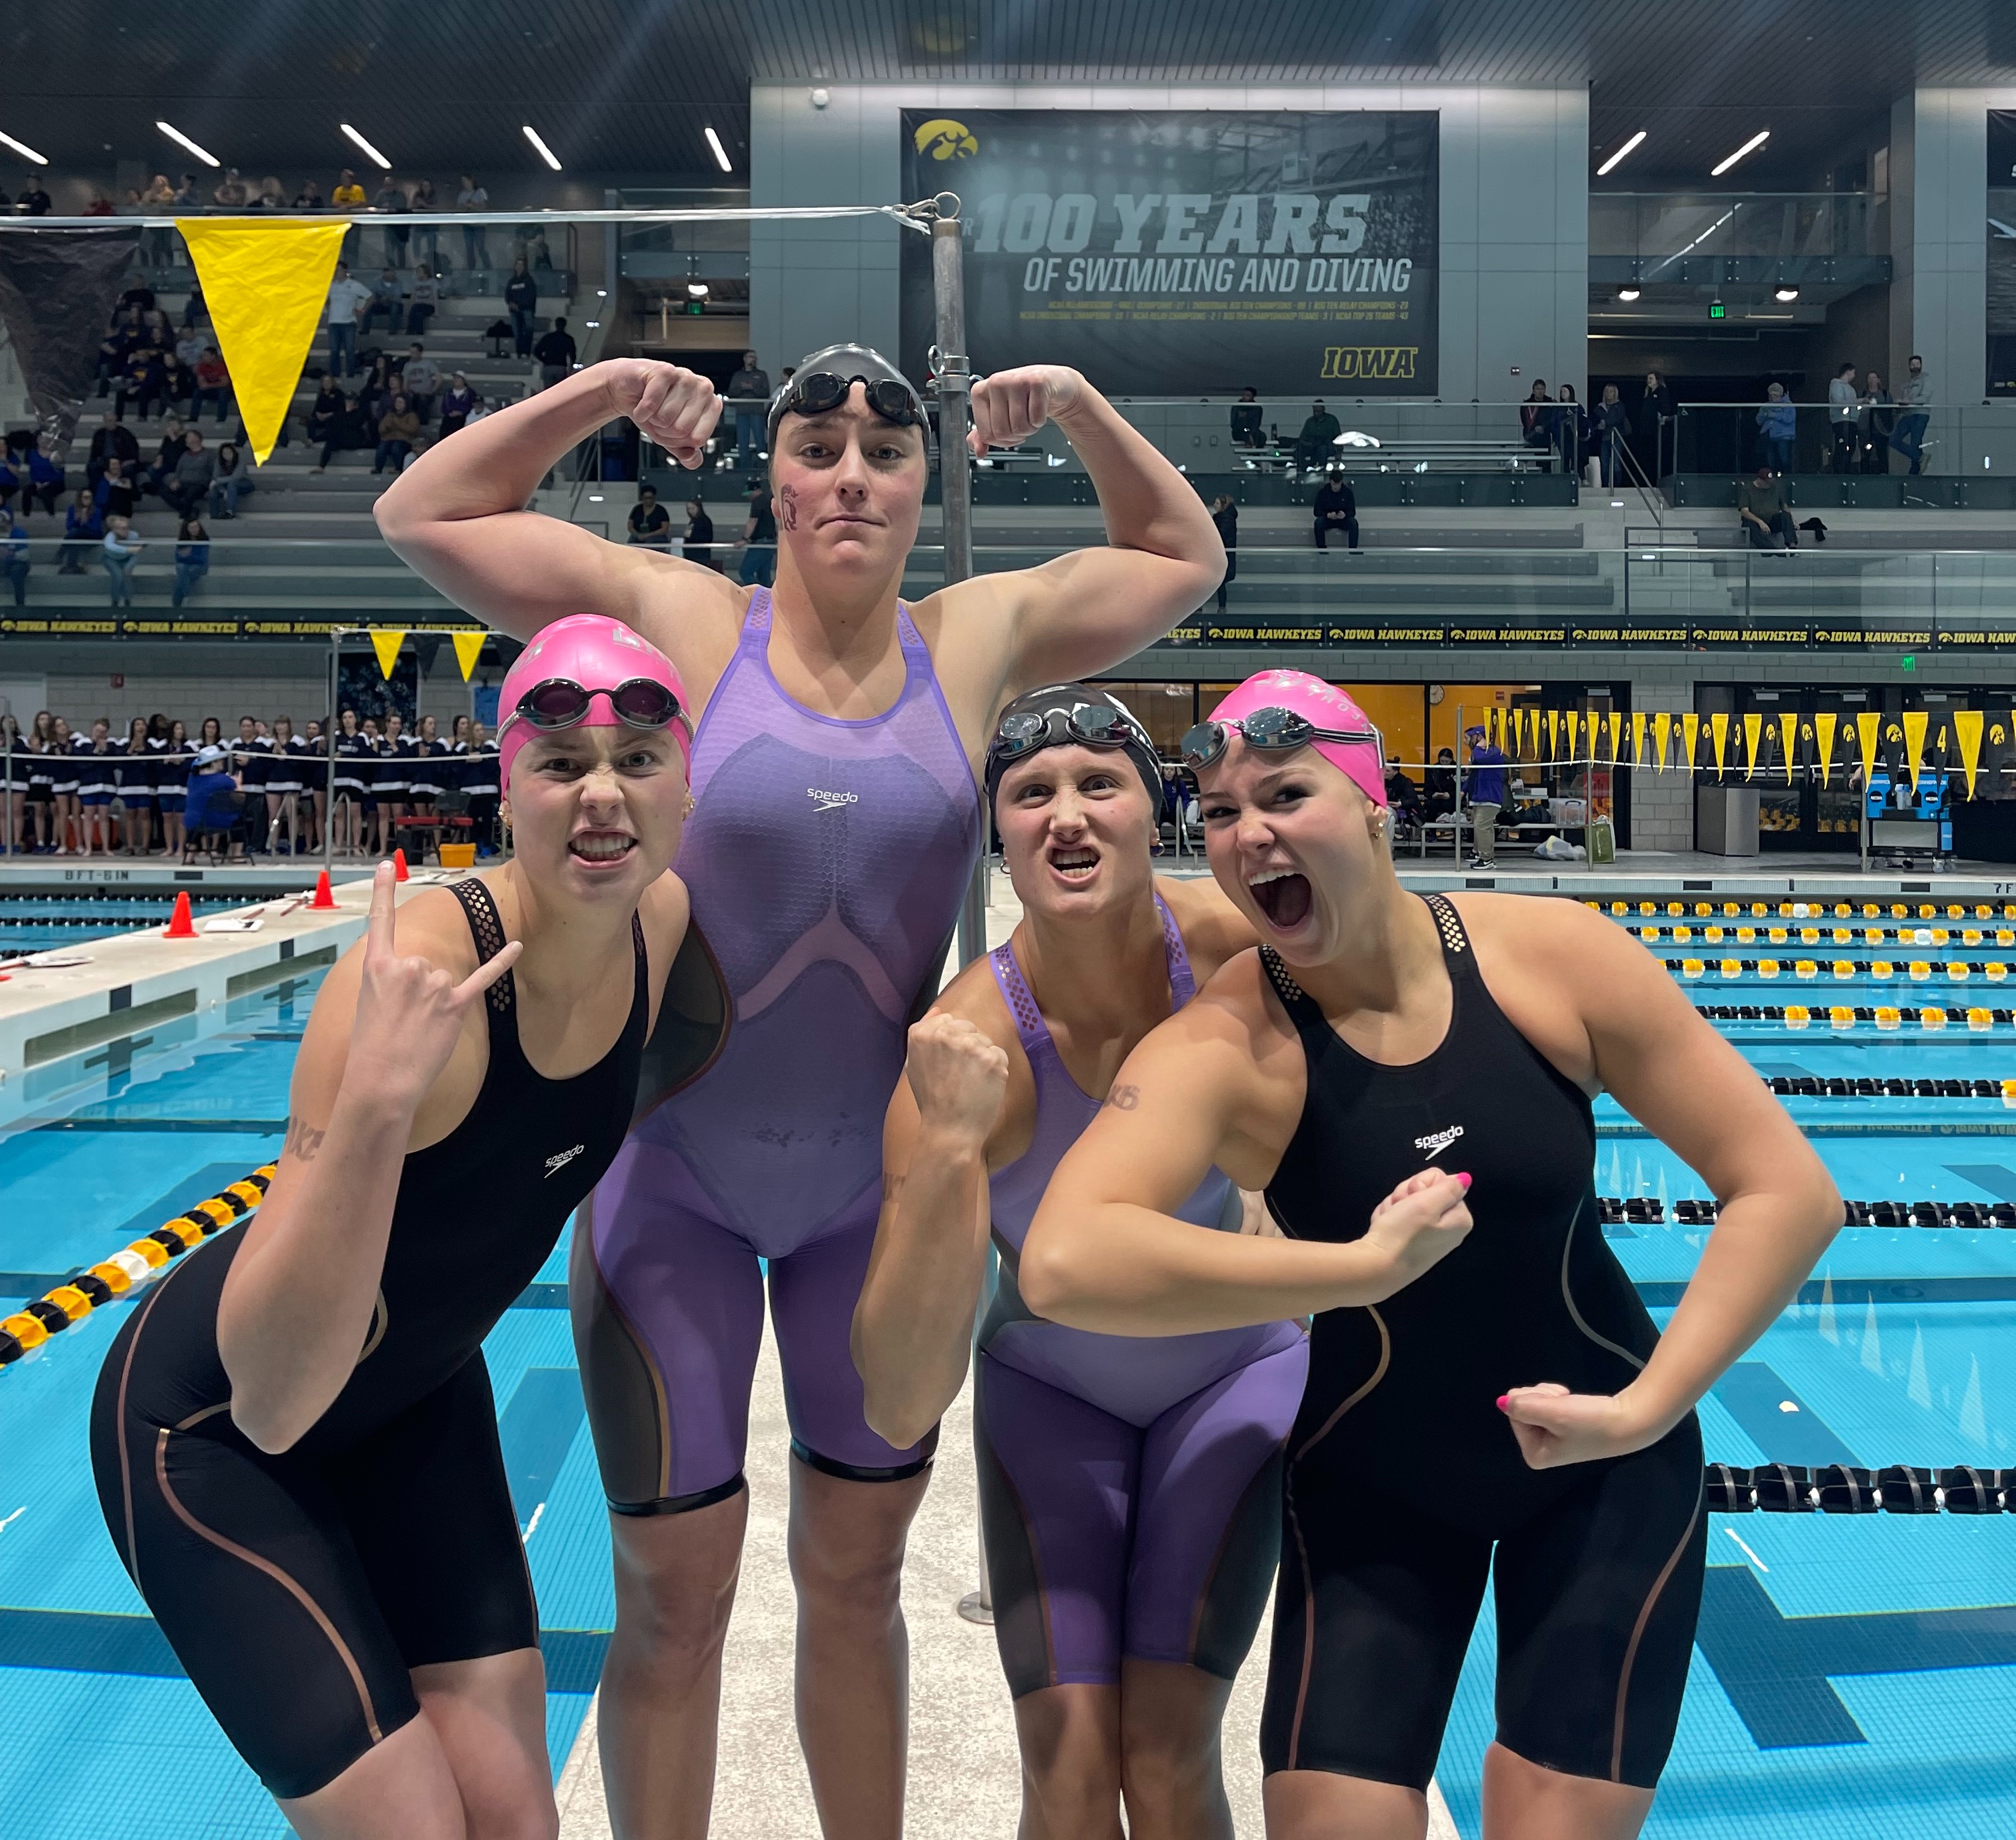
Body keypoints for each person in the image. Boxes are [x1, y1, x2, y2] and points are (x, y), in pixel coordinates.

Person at [375, 340, 1223, 1837]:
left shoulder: (980, 635)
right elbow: (424, 518)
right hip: (673, 1188)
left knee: (856, 1579)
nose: (850, 476)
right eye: (817, 447)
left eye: (886, 453)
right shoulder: (685, 614)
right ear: (770, 475)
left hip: (871, 1201)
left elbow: (1182, 555)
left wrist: (1087, 407)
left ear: (924, 483)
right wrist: (608, 392)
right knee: (673, 1599)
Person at [1017, 668, 1842, 1840]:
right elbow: (1061, 1261)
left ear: (1372, 806)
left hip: (1607, 1472)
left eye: (1283, 794)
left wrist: (1649, 1408)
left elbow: (1785, 1190)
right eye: (1217, 815)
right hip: (1374, 1484)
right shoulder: (1228, 1042)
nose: (1247, 835)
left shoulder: (1553, 958)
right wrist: (1354, 1271)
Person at [90, 616, 694, 1837]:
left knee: (518, 1824)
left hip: (411, 1398)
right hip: (214, 1434)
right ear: (503, 786)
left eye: (636, 758)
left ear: (687, 782)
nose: (601, 796)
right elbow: (270, 1400)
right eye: (560, 763)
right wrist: (372, 1109)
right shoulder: (423, 982)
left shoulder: (662, 923)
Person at [853, 685, 1303, 1833]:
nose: (1065, 816)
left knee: (1163, 1753)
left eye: (1098, 784)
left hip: (1232, 1374)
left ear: (1152, 815)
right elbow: (897, 1398)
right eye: (1029, 794)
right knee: (1061, 1763)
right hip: (1050, 1393)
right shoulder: (970, 1047)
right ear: (995, 835)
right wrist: (951, 1149)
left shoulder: (1237, 958)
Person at [1464, 722, 1509, 867]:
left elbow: (1479, 758)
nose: (1466, 742)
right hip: (1481, 796)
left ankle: (1486, 858)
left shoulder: (1493, 752)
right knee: (1485, 827)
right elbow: (1474, 775)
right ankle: (1487, 856)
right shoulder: (1484, 753)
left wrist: (1477, 748)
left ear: (1478, 737)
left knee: (1481, 826)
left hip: (1490, 796)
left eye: (1468, 738)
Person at [325, 261, 373, 380]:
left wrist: (363, 310)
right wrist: (328, 307)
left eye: (339, 270)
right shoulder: (331, 285)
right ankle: (335, 375)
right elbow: (327, 299)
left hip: (348, 323)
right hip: (334, 322)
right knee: (334, 350)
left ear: (345, 271)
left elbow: (370, 297)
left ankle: (350, 374)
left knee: (349, 350)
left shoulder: (354, 285)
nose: (337, 272)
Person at [117, 715, 156, 855]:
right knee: (130, 814)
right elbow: (120, 765)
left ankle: (145, 846)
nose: (140, 727)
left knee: (144, 813)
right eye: (137, 724)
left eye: (143, 724)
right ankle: (130, 846)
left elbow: (153, 765)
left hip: (145, 784)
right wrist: (130, 750)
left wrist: (143, 750)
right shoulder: (124, 745)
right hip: (129, 784)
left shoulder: (151, 745)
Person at [727, 349, 771, 468]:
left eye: (755, 357)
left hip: (757, 411)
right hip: (741, 412)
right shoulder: (738, 375)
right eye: (751, 357)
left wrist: (752, 388)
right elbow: (732, 392)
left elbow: (765, 393)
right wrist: (742, 388)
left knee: (760, 440)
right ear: (745, 359)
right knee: (743, 442)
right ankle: (744, 468)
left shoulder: (762, 374)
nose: (753, 359)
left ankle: (763, 466)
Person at [1738, 463, 1797, 550]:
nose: (1769, 484)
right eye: (1766, 482)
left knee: (1785, 516)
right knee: (1750, 526)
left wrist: (1792, 521)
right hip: (1756, 520)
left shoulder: (1776, 487)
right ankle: (1770, 550)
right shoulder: (1748, 489)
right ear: (1759, 480)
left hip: (1773, 519)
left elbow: (1784, 506)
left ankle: (1792, 545)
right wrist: (1760, 522)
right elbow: (1744, 511)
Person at [163, 430, 216, 519]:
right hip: (183, 483)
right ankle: (190, 510)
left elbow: (213, 471)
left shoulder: (208, 454)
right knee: (164, 491)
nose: (186, 439)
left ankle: (185, 515)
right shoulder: (185, 455)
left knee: (191, 493)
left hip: (199, 484)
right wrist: (175, 481)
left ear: (196, 439)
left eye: (188, 437)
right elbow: (178, 471)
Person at [1891, 354, 1930, 473]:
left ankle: (1914, 472)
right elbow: (1905, 401)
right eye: (1912, 364)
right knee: (1893, 440)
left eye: (1917, 364)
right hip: (1908, 415)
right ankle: (1920, 458)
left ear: (1921, 365)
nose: (1915, 367)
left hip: (1920, 415)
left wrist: (1908, 402)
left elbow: (1925, 398)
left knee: (1915, 443)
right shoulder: (1908, 383)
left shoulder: (1926, 380)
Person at [1635, 371, 1677, 480]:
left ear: (1657, 380)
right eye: (1648, 378)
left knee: (1655, 454)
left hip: (1656, 429)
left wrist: (1665, 415)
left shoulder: (1662, 391)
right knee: (1646, 455)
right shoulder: (1647, 394)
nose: (1649, 381)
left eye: (1651, 378)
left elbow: (1665, 406)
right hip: (1646, 429)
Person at [737, 478, 776, 586]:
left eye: (749, 494)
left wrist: (744, 539)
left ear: (754, 491)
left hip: (761, 543)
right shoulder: (766, 501)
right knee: (764, 576)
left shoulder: (757, 501)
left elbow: (752, 521)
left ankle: (759, 595)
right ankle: (768, 599)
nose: (748, 497)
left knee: (745, 571)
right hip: (770, 542)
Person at [1593, 384, 1631, 487]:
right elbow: (1594, 419)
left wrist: (1605, 422)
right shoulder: (1599, 407)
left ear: (1615, 393)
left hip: (1617, 436)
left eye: (1611, 391)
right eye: (1606, 391)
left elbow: (1618, 419)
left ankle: (1617, 487)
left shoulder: (1620, 406)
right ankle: (1605, 486)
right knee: (1604, 464)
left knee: (1616, 464)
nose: (1608, 394)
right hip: (1604, 438)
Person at [375, 393, 422, 475]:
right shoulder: (390, 415)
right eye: (397, 402)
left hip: (405, 441)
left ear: (406, 404)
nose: (398, 404)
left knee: (396, 447)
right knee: (382, 448)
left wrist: (396, 424)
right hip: (389, 439)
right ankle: (378, 469)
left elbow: (412, 430)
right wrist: (387, 427)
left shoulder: (412, 416)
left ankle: (398, 468)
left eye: (400, 402)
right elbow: (381, 429)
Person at [1857, 370, 1894, 474]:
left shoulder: (1885, 394)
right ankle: (1864, 475)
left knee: (1882, 452)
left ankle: (1884, 473)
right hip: (1866, 427)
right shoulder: (1863, 394)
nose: (1872, 380)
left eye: (1874, 377)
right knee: (1865, 453)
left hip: (1881, 428)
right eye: (1869, 378)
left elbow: (1890, 411)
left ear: (1878, 380)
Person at [57, 487, 102, 571]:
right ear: (80, 498)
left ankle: (61, 552)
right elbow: (69, 527)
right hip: (77, 535)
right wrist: (76, 520)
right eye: (85, 497)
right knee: (75, 537)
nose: (88, 500)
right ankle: (72, 566)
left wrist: (85, 523)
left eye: (90, 497)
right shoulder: (72, 509)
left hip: (93, 536)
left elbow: (96, 529)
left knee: (75, 533)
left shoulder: (96, 510)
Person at [1313, 470, 1359, 551]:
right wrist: (1327, 515)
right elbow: (1316, 511)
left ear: (1341, 482)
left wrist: (1345, 515)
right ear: (1330, 482)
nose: (1336, 487)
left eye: (1338, 484)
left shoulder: (1347, 493)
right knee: (1318, 523)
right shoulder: (1323, 492)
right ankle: (1322, 549)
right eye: (1334, 484)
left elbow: (1352, 511)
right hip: (1328, 519)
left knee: (1353, 523)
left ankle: (1353, 549)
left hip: (1342, 520)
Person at [1291, 399, 1340, 473]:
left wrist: (1338, 451)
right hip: (1311, 446)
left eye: (1318, 411)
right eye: (1315, 411)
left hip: (1327, 447)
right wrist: (1309, 444)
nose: (1316, 413)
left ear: (1323, 409)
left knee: (1322, 449)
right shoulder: (1310, 421)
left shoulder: (1332, 420)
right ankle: (1304, 470)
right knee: (1298, 452)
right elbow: (1302, 438)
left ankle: (1319, 471)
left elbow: (1338, 438)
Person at [1756, 382, 1796, 473]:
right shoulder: (1766, 406)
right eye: (1771, 395)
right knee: (1771, 461)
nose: (1773, 397)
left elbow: (1789, 419)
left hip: (1784, 436)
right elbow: (1759, 420)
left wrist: (1774, 415)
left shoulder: (1788, 405)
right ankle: (1773, 478)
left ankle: (1787, 477)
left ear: (1780, 395)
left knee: (1784, 459)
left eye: (1775, 395)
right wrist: (1765, 415)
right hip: (1769, 435)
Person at [102, 515, 141, 606]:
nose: (126, 531)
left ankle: (128, 601)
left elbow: (135, 555)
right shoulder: (110, 536)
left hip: (127, 559)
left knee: (127, 576)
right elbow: (110, 546)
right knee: (117, 575)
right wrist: (127, 550)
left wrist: (130, 566)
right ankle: (115, 602)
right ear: (115, 529)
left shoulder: (133, 535)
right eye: (123, 529)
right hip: (110, 559)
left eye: (127, 528)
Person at [1827, 361, 1859, 471]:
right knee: (1842, 445)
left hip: (1852, 420)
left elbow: (1852, 403)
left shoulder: (1851, 389)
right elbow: (1838, 401)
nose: (1854, 376)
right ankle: (1839, 470)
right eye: (1853, 373)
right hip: (1840, 420)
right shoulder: (1836, 385)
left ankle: (1847, 468)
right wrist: (1855, 403)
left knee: (1851, 445)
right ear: (1848, 372)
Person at [172, 517, 211, 608]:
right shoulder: (183, 540)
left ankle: (176, 606)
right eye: (192, 527)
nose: (195, 529)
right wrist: (189, 556)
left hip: (200, 567)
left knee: (181, 573)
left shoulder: (205, 538)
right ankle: (185, 597)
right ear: (187, 529)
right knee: (182, 569)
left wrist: (188, 556)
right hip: (185, 567)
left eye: (197, 526)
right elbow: (177, 557)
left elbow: (202, 559)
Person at [208, 442, 253, 519]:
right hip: (225, 486)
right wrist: (224, 491)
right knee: (213, 491)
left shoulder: (240, 460)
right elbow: (215, 477)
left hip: (243, 483)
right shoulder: (218, 461)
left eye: (229, 452)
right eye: (225, 453)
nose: (227, 455)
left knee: (232, 484)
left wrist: (218, 481)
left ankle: (229, 512)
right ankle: (214, 515)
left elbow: (236, 477)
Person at [504, 257, 537, 356]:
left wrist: (520, 305)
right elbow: (507, 295)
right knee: (517, 333)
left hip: (527, 310)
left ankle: (526, 352)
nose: (519, 267)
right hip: (514, 311)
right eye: (517, 265)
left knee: (528, 331)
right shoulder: (511, 281)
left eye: (521, 265)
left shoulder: (529, 280)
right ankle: (519, 353)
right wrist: (511, 304)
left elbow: (531, 296)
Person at [456, 175, 491, 270]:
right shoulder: (462, 194)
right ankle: (471, 269)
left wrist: (473, 206)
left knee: (480, 247)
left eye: (465, 181)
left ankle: (488, 267)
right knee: (469, 249)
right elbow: (458, 208)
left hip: (479, 224)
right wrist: (465, 207)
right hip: (467, 224)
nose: (464, 183)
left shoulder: (480, 192)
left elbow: (484, 206)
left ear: (471, 181)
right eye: (462, 182)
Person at [1553, 382, 1587, 476]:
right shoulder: (1558, 408)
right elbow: (1555, 423)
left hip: (1575, 437)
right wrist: (1556, 438)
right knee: (1565, 460)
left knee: (1577, 458)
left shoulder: (1577, 406)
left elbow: (1583, 420)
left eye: (1565, 391)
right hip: (1562, 438)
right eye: (1561, 391)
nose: (1563, 393)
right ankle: (1566, 478)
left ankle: (1581, 477)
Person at [1211, 492, 1237, 610]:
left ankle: (1222, 607)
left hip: (1223, 555)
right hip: (1223, 555)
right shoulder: (1224, 518)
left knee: (1219, 580)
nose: (1214, 505)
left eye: (1217, 503)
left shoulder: (1225, 520)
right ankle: (1221, 607)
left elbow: (1221, 536)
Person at [533, 317, 576, 389]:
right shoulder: (568, 338)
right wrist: (571, 365)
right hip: (561, 367)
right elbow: (573, 355)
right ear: (565, 325)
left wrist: (544, 360)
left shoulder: (548, 337)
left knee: (548, 390)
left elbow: (537, 351)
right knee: (560, 390)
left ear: (556, 325)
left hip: (548, 366)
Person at [1519, 379, 1554, 468]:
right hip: (1530, 437)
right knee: (1529, 464)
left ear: (1545, 390)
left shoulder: (1550, 404)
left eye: (1542, 389)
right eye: (1538, 389)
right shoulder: (1527, 404)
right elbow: (1524, 421)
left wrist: (1544, 428)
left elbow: (1552, 419)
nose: (1540, 391)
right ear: (1533, 391)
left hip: (1544, 437)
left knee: (1545, 464)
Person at [193, 345, 231, 423]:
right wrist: (207, 385)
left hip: (224, 391)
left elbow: (225, 383)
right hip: (211, 390)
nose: (203, 357)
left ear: (213, 356)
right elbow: (201, 382)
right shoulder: (202, 366)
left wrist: (209, 385)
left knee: (223, 393)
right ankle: (193, 418)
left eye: (206, 355)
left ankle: (221, 419)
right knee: (198, 392)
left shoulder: (221, 366)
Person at [627, 484, 673, 549]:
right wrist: (637, 534)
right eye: (645, 498)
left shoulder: (661, 510)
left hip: (656, 536)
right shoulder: (637, 509)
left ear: (654, 498)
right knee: (632, 540)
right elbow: (630, 526)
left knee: (649, 542)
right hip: (639, 535)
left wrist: (648, 535)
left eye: (650, 498)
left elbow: (664, 529)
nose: (648, 500)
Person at [0, 504, 27, 605]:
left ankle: (20, 604)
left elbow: (24, 556)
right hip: (2, 563)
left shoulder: (19, 533)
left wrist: (8, 554)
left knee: (17, 572)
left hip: (18, 563)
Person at [436, 372, 477, 438]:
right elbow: (444, 406)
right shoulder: (448, 392)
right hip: (449, 418)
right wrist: (449, 413)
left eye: (458, 378)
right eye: (454, 378)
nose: (455, 380)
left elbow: (472, 406)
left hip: (463, 418)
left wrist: (462, 412)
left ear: (464, 380)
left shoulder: (470, 393)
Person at [407, 265, 440, 338]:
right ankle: (409, 333)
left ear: (426, 273)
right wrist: (410, 308)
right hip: (418, 304)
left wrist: (436, 311)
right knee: (413, 312)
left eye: (420, 272)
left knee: (420, 315)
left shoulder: (433, 282)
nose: (418, 274)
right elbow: (413, 296)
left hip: (428, 305)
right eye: (417, 272)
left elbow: (435, 297)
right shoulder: (415, 282)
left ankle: (419, 334)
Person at [683, 497, 716, 569]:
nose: (690, 511)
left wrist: (691, 537)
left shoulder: (705, 521)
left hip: (700, 555)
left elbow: (707, 538)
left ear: (699, 508)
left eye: (693, 508)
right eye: (688, 509)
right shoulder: (693, 521)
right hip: (691, 554)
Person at [1230, 385, 1263, 449]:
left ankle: (1250, 442)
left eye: (1248, 395)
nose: (1245, 397)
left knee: (1260, 435)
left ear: (1253, 397)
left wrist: (1250, 432)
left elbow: (1256, 423)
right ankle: (1249, 440)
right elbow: (1234, 424)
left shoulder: (1257, 408)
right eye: (1244, 395)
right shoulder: (1236, 407)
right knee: (1244, 429)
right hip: (1238, 431)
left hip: (1252, 431)